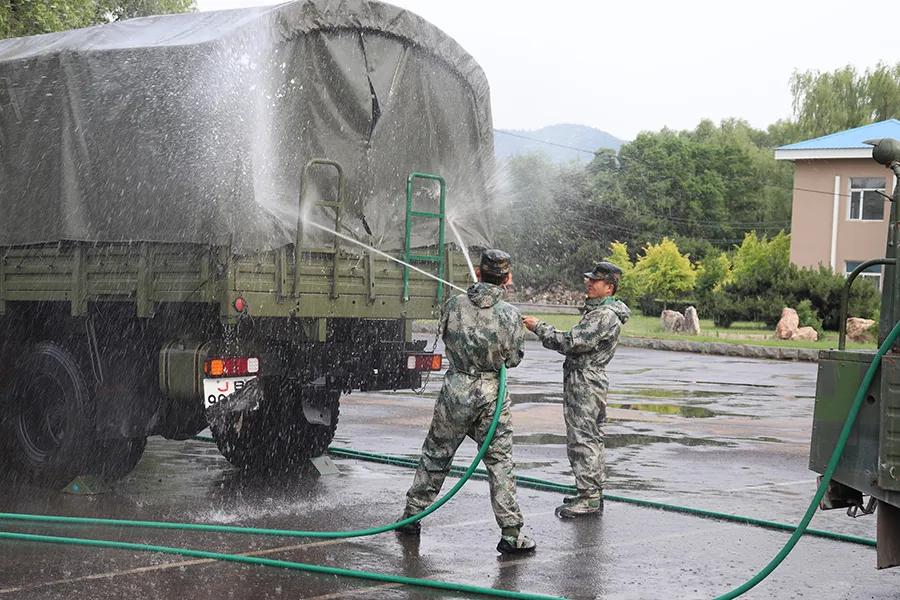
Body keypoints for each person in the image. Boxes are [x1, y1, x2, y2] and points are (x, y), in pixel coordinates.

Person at [398, 249, 536, 554]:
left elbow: (444, 334)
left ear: (478, 271)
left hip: (456, 389)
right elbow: (513, 359)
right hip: (491, 395)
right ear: (507, 278)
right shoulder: (510, 314)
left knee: (436, 454)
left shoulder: (454, 304)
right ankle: (512, 533)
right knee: (500, 463)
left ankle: (411, 516)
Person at [522, 261, 630, 518]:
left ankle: (589, 497)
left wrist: (539, 327)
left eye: (596, 281)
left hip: (585, 381)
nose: (589, 283)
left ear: (609, 288)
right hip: (585, 379)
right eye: (589, 279)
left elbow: (570, 342)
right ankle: (590, 492)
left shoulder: (603, 316)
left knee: (583, 439)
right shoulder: (599, 311)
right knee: (589, 437)